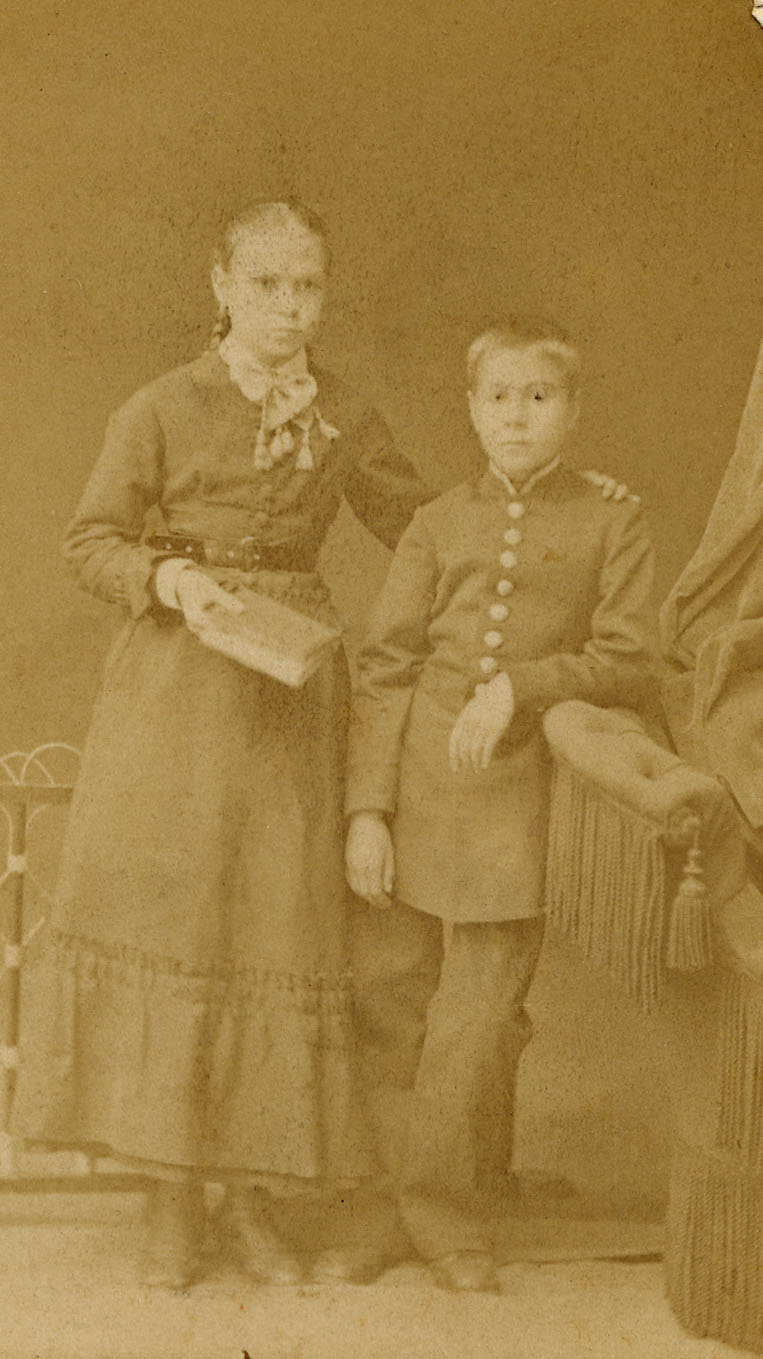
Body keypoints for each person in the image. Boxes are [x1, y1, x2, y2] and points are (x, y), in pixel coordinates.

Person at [12, 199, 428, 1289]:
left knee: (274, 924)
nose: (289, 309)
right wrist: (167, 578)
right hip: (176, 692)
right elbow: (89, 541)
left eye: (308, 288)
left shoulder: (345, 412)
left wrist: (547, 500)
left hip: (293, 698)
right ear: (221, 287)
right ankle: (168, 1199)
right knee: (179, 916)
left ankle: (247, 1201)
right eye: (266, 286)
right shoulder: (160, 406)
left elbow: (425, 529)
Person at [343, 315, 657, 1292]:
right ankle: (391, 1208)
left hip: (515, 804)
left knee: (474, 1023)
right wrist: (367, 810)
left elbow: (629, 658)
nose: (516, 416)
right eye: (497, 397)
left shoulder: (611, 519)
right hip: (415, 792)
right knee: (387, 1004)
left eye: (538, 396)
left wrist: (520, 685)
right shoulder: (437, 521)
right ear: (471, 409)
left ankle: (442, 1218)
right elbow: (386, 666)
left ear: (573, 410)